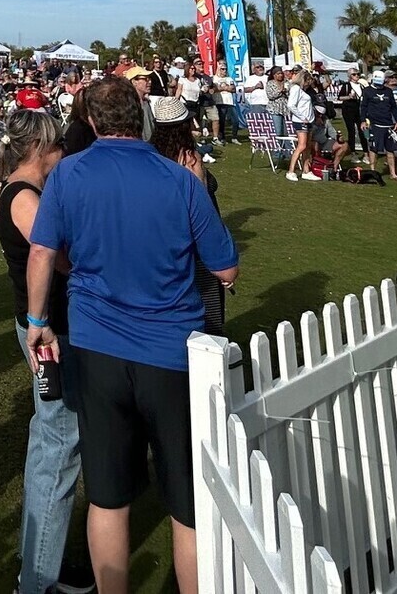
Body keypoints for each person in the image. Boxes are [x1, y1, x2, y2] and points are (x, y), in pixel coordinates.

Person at [25, 77, 239, 594]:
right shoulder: (180, 180)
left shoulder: (70, 173)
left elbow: (42, 252)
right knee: (185, 502)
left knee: (108, 495)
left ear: (93, 122)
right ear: (138, 116)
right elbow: (226, 270)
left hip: (101, 349)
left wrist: (37, 322)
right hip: (168, 350)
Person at [0, 109, 96, 594]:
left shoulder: (26, 190)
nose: (63, 156)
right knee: (57, 444)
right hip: (49, 330)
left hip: (47, 326)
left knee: (52, 439)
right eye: (57, 147)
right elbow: (55, 254)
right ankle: (36, 579)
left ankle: (40, 562)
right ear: (39, 149)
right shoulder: (24, 196)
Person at [148, 97, 227, 333]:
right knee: (207, 304)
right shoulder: (190, 159)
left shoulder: (150, 156)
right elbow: (202, 208)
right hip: (194, 240)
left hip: (161, 239)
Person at [359, 70, 397, 181]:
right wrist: (363, 121)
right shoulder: (368, 91)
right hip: (374, 124)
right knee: (374, 149)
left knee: (390, 150)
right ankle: (372, 171)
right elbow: (363, 107)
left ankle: (393, 173)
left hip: (387, 123)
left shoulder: (388, 91)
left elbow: (393, 107)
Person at [283, 71, 319, 181]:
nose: (309, 84)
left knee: (308, 146)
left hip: (308, 121)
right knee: (302, 145)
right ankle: (291, 171)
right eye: (308, 81)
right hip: (300, 121)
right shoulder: (296, 89)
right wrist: (301, 116)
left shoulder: (302, 90)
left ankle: (306, 170)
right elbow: (291, 105)